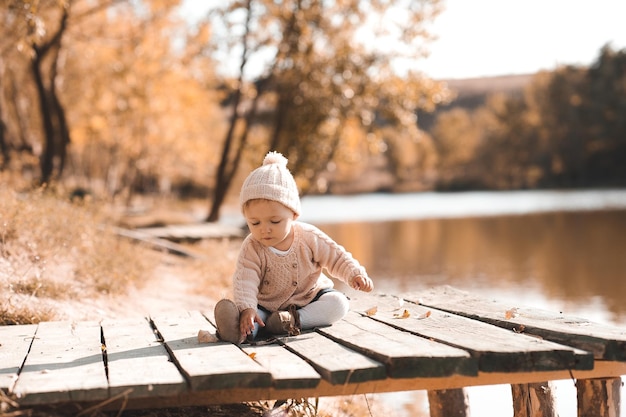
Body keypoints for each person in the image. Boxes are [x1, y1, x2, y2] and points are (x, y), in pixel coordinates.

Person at [214, 151, 374, 344]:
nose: (264, 229)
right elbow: (245, 279)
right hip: (266, 307)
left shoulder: (308, 237)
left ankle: (293, 321)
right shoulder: (252, 247)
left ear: (294, 214)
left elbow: (336, 256)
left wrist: (354, 273)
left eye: (274, 221)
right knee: (254, 319)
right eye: (254, 223)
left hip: (309, 299)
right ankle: (238, 329)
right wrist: (247, 307)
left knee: (339, 304)